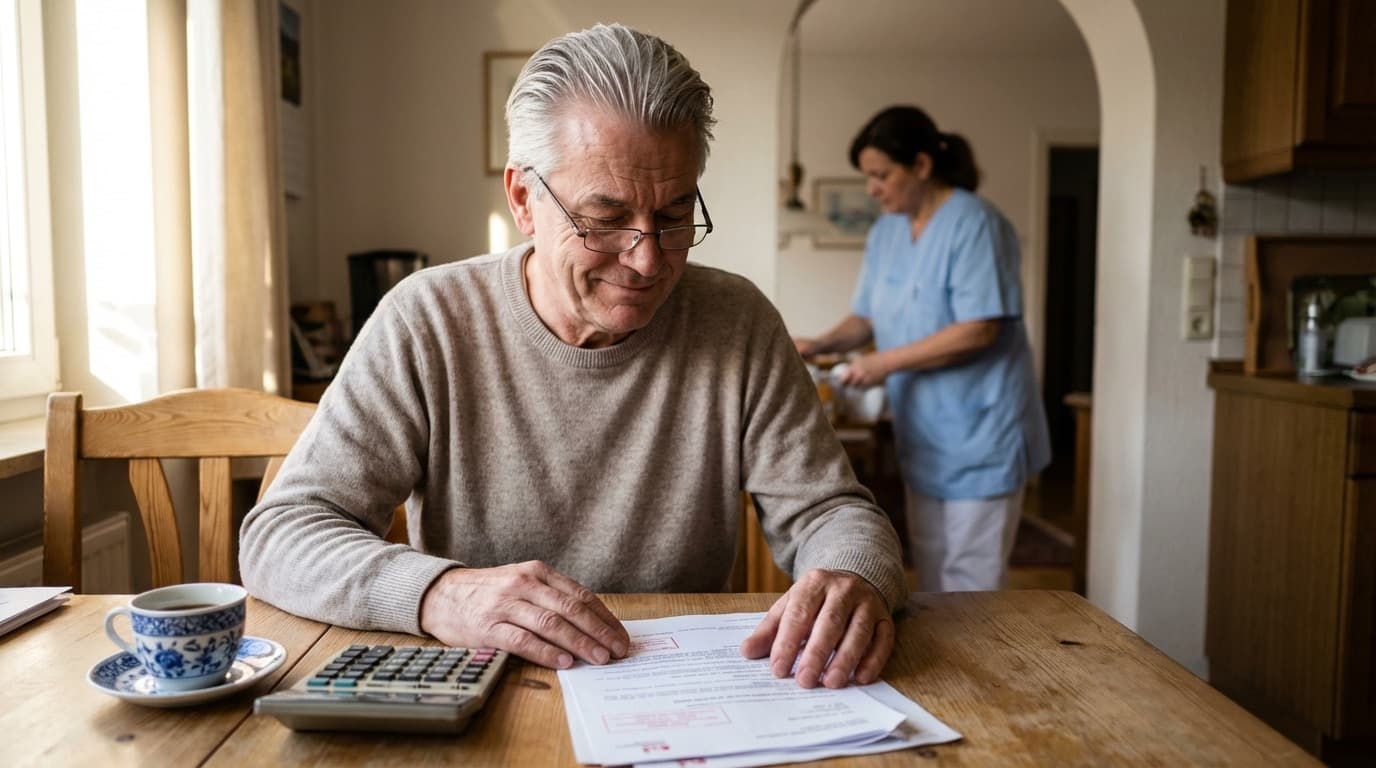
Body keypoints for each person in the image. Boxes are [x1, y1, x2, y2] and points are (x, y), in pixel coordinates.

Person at [241, 24, 906, 691]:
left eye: (674, 215)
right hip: (482, 691)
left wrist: (852, 574)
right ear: (524, 199)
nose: (647, 259)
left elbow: (831, 512)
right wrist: (444, 593)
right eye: (606, 218)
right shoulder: (428, 320)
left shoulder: (739, 323)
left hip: (682, 693)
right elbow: (282, 534)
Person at [795, 106, 1050, 592]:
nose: (871, 188)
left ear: (922, 166)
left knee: (971, 583)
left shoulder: (977, 224)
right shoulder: (886, 232)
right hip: (925, 432)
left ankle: (977, 669)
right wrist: (821, 343)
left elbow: (980, 329)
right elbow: (867, 316)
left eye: (880, 175)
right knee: (930, 574)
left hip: (982, 430)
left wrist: (881, 364)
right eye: (867, 177)